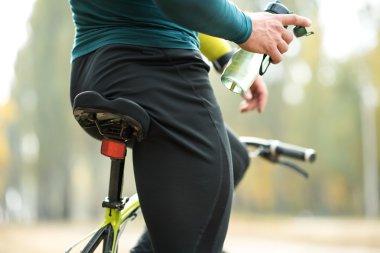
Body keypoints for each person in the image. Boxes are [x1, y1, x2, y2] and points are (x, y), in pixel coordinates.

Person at [68, 1, 311, 252]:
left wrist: (224, 56)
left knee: (235, 156)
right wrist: (246, 27)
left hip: (94, 73)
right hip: (155, 69)